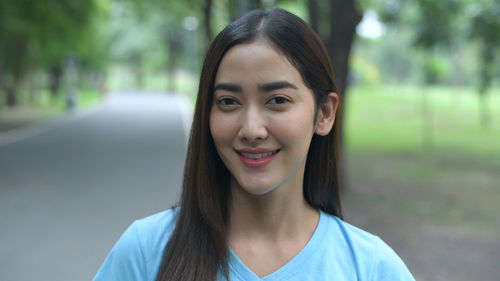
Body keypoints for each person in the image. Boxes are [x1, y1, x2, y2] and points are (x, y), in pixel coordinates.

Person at [93, 8, 415, 281]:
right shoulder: (145, 252)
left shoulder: (372, 268)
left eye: (277, 100)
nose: (251, 129)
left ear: (325, 114)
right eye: (229, 101)